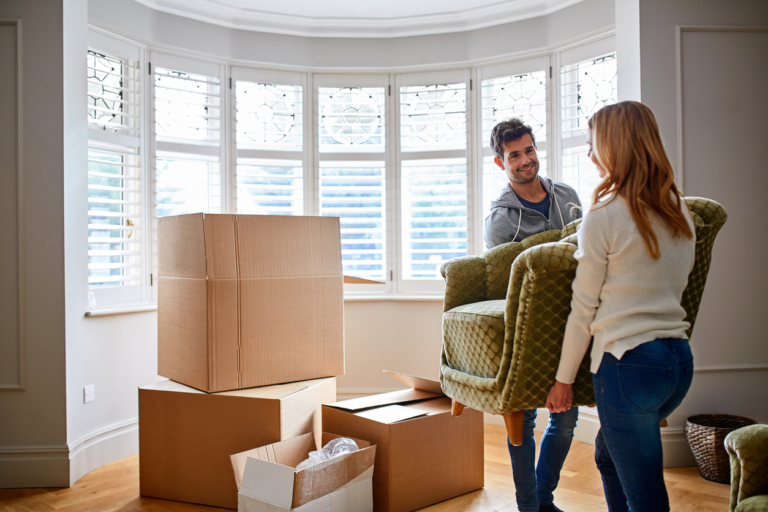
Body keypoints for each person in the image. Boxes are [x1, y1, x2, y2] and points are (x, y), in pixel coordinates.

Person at [545, 101, 696, 512]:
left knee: (645, 498)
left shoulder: (604, 213)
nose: (589, 155)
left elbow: (583, 308)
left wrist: (562, 381)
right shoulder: (678, 209)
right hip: (677, 363)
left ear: (615, 146)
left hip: (629, 365)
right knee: (609, 458)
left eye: (593, 145)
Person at [485, 118, 582, 512]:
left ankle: (543, 498)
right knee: (522, 420)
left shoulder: (569, 196)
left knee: (567, 418)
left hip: (574, 323)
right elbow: (503, 284)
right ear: (500, 162)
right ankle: (529, 506)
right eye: (514, 155)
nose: (525, 160)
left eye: (529, 150)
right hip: (527, 329)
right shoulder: (500, 221)